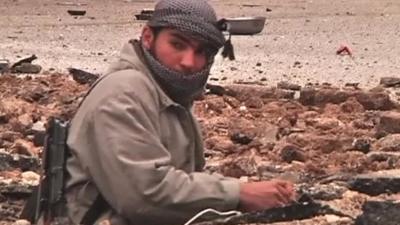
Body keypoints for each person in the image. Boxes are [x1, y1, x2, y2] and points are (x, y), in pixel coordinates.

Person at [64, 0, 296, 224]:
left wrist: (252, 192)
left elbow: (177, 179)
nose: (188, 62)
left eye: (200, 52)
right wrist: (239, 194)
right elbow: (144, 196)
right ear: (147, 37)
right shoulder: (123, 93)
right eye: (177, 44)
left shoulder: (166, 92)